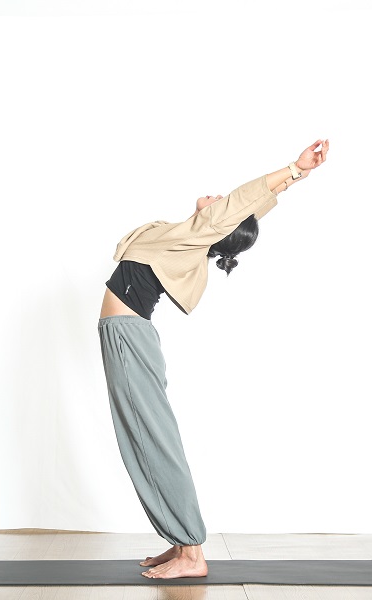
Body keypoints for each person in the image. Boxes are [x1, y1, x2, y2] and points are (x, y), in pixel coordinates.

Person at [98, 139, 330, 579]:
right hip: (128, 337)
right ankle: (180, 541)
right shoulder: (188, 237)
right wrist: (293, 180)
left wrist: (295, 169)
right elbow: (244, 212)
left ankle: (192, 552)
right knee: (149, 436)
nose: (220, 197)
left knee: (152, 439)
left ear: (220, 222)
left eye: (224, 205)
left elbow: (241, 204)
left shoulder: (201, 233)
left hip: (128, 339)